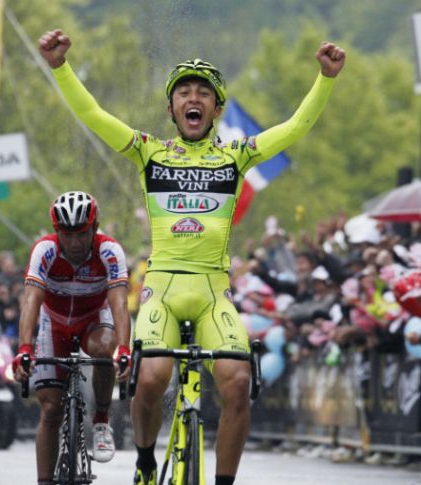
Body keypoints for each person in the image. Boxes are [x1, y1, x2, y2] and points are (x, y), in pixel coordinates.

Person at [37, 29, 345, 485]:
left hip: (212, 292)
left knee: (239, 382)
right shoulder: (149, 152)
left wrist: (325, 78)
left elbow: (295, 127)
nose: (193, 98)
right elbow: (93, 114)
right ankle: (144, 461)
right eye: (184, 92)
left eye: (204, 93)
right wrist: (60, 67)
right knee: (151, 377)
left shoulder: (235, 156)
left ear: (217, 110)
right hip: (161, 289)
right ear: (172, 109)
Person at [12, 191, 131, 485]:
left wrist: (125, 349)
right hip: (54, 322)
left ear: (94, 227)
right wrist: (24, 348)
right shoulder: (44, 251)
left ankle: (102, 421)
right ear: (56, 232)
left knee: (105, 348)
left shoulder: (110, 251)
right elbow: (31, 302)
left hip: (94, 319)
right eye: (67, 234)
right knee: (51, 409)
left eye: (82, 233)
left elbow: (119, 304)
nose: (75, 242)